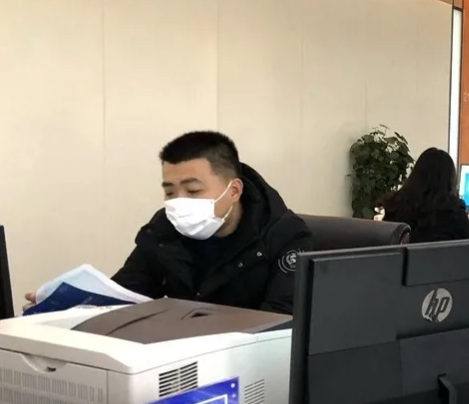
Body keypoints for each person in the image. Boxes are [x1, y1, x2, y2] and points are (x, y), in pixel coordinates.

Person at [27, 132, 311, 314]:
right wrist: (69, 310)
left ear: (234, 191)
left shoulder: (286, 237)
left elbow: (281, 326)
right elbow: (127, 294)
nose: (179, 202)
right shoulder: (165, 228)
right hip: (177, 360)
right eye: (170, 192)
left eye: (193, 190)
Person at [379, 147, 469, 243]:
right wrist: (467, 222)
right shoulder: (452, 212)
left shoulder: (395, 205)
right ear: (449, 180)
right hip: (439, 257)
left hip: (404, 257)